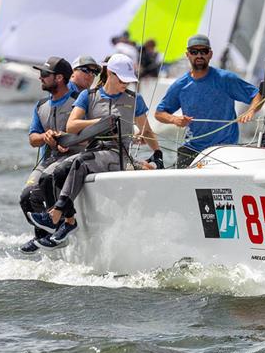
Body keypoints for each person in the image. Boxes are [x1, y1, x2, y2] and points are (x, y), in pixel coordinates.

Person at [26, 54, 163, 249]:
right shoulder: (88, 96)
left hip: (118, 154)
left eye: (129, 80)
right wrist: (103, 122)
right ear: (111, 74)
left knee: (81, 163)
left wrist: (157, 152)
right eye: (122, 79)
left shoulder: (134, 99)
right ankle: (68, 224)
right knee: (58, 172)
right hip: (94, 151)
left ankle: (55, 215)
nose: (126, 84)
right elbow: (72, 125)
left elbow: (146, 130)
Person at [155, 34, 263, 168]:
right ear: (187, 54)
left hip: (224, 149)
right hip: (192, 149)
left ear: (210, 54)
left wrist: (251, 111)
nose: (199, 55)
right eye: (194, 52)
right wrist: (174, 119)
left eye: (203, 51)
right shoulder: (180, 85)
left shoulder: (225, 79)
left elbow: (256, 95)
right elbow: (159, 113)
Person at [18, 56, 81, 253]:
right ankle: (43, 237)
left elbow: (89, 131)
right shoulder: (41, 106)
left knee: (49, 180)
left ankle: (61, 228)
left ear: (60, 78)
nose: (40, 78)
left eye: (45, 74)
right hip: (49, 158)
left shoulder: (78, 101)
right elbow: (32, 139)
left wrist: (64, 137)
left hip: (72, 156)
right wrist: (45, 136)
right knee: (26, 197)